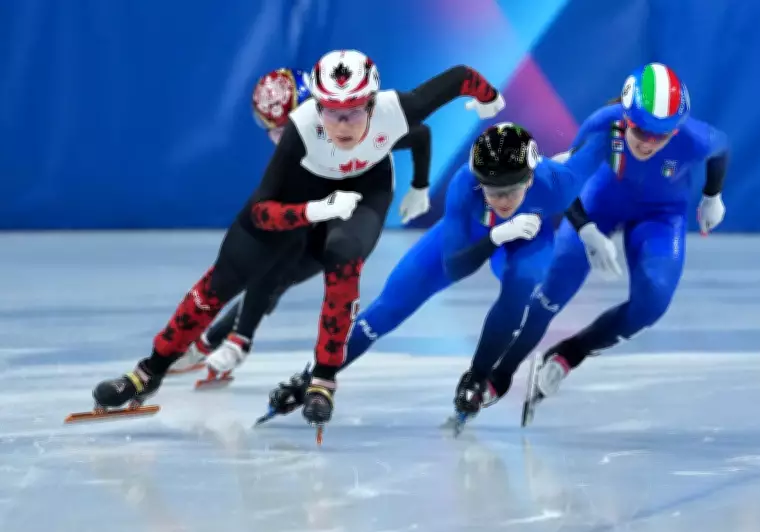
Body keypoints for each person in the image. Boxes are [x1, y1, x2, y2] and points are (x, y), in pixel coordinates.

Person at [90, 49, 505, 428]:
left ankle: (323, 378)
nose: (342, 125)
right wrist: (314, 211)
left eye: (353, 112)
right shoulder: (301, 129)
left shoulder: (396, 110)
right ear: (316, 107)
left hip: (364, 192)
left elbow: (460, 77)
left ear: (372, 104)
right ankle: (149, 372)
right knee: (225, 277)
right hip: (304, 193)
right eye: (332, 113)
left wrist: (488, 101)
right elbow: (259, 212)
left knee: (343, 257)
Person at [261, 122, 595, 423]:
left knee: (520, 288)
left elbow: (604, 133)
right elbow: (455, 266)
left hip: (529, 239)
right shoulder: (465, 185)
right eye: (493, 190)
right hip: (471, 239)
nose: (502, 200)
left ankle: (477, 377)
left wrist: (587, 228)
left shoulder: (558, 182)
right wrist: (496, 236)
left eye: (510, 190)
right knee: (388, 308)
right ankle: (314, 374)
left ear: (531, 178)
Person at [474, 62, 730, 415]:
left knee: (653, 302)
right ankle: (500, 373)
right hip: (600, 202)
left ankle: (571, 353)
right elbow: (566, 185)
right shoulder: (602, 125)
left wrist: (713, 195)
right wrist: (587, 229)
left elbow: (721, 149)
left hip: (661, 215)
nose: (649, 143)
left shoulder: (695, 137)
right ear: (626, 118)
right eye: (641, 131)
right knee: (554, 287)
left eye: (661, 136)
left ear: (676, 129)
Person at [169, 72, 433, 378]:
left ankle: (222, 343)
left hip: (352, 217)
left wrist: (420, 186)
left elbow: (420, 134)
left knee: (279, 271)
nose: (279, 138)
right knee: (272, 263)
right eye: (270, 129)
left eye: (284, 128)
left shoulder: (357, 131)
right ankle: (214, 343)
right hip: (319, 214)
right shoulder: (299, 145)